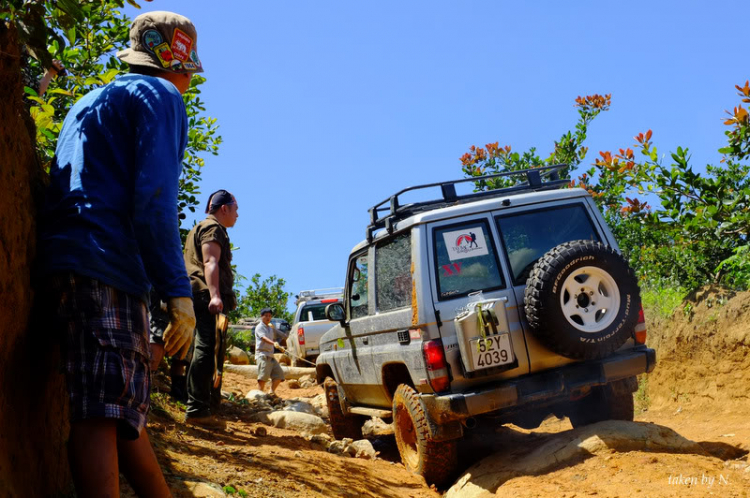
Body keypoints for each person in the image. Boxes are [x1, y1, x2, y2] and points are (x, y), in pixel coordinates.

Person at [35, 11, 204, 497]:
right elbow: (154, 199)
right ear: (178, 63)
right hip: (105, 264)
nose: (190, 80)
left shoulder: (89, 102)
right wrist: (177, 292)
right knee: (100, 416)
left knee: (119, 408)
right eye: (189, 69)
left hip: (67, 262)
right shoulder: (161, 96)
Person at [184, 190, 239, 426]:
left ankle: (205, 405)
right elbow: (210, 261)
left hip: (199, 293)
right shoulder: (212, 228)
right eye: (235, 209)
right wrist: (215, 296)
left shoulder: (200, 228)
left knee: (209, 349)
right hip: (206, 295)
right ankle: (197, 410)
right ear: (223, 208)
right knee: (207, 348)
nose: (238, 214)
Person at [254, 308, 287, 396]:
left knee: (279, 375)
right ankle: (260, 395)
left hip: (271, 355)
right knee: (262, 378)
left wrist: (284, 338)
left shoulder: (270, 327)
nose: (268, 318)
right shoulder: (259, 327)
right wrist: (274, 343)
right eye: (266, 316)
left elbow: (279, 334)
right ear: (262, 316)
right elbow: (263, 338)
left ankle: (271, 392)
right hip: (263, 355)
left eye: (269, 316)